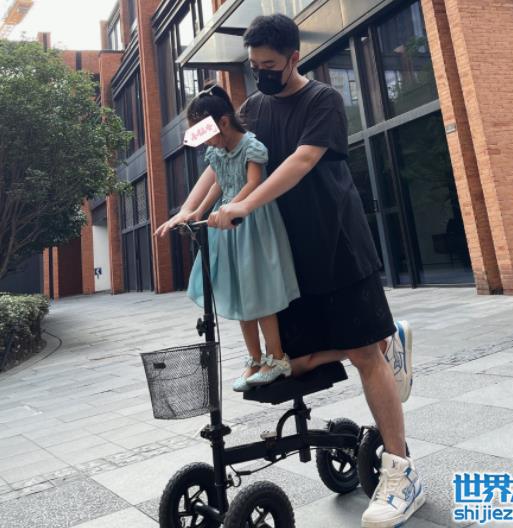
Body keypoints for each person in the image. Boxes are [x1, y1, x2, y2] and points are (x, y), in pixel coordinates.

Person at [157, 14, 422, 527]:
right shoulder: (251, 108)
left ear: (293, 58)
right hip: (285, 258)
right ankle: (386, 340)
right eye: (253, 65)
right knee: (289, 363)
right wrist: (187, 210)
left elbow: (301, 161)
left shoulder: (323, 100)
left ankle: (402, 471)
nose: (260, 73)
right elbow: (218, 160)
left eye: (269, 65)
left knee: (362, 356)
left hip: (337, 245)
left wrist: (244, 204)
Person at [182, 82, 300, 391]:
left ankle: (277, 358)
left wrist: (233, 207)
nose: (206, 142)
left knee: (259, 292)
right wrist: (198, 211)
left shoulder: (251, 146)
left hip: (252, 221)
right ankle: (254, 359)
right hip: (227, 225)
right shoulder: (217, 152)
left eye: (206, 134)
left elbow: (253, 183)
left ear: (223, 122)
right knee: (238, 293)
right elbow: (218, 183)